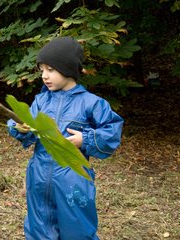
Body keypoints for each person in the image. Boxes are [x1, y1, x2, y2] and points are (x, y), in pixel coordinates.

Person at [7, 36, 124, 239]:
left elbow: (112, 130)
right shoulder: (41, 101)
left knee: (76, 229)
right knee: (39, 228)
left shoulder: (91, 103)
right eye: (42, 69)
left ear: (68, 69)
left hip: (73, 180)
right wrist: (20, 127)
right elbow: (27, 125)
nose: (44, 76)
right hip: (39, 177)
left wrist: (85, 140)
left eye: (50, 70)